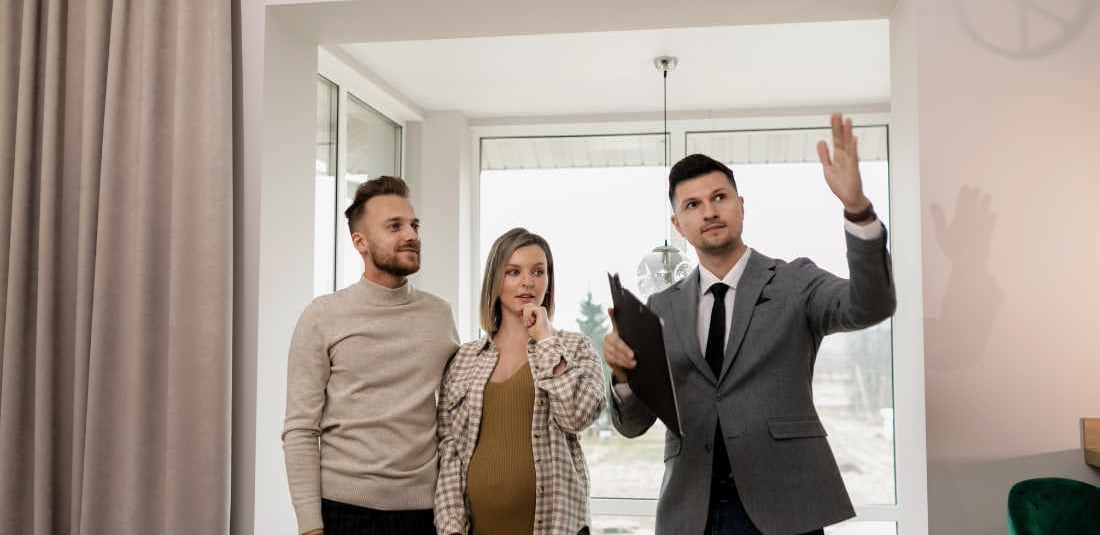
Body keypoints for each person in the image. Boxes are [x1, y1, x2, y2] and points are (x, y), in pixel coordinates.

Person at [604, 114, 897, 535]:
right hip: (692, 515)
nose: (709, 211)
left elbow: (870, 305)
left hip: (787, 509)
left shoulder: (795, 282)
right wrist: (622, 379)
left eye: (719, 197)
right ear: (678, 225)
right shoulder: (660, 308)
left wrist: (857, 210)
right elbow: (633, 425)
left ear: (741, 205)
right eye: (692, 205)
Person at [283, 176, 460, 535]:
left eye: (414, 225)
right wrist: (309, 526)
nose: (411, 235)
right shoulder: (323, 316)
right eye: (394, 226)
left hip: (426, 514)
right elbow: (301, 428)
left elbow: (458, 414)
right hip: (343, 513)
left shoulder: (439, 315)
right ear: (359, 241)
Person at [435, 228, 605, 535]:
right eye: (513, 272)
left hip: (554, 528)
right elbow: (450, 452)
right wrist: (451, 529)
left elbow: (577, 416)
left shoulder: (575, 348)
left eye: (538, 272)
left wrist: (546, 341)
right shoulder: (464, 358)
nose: (528, 282)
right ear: (495, 280)